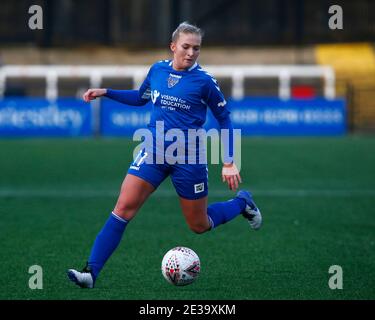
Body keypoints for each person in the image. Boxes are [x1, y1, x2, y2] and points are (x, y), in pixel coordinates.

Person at [67, 22, 262, 289]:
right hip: (154, 150)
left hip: (189, 157)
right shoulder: (157, 70)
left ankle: (242, 203)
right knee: (122, 209)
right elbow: (140, 97)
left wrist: (228, 160)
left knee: (199, 224)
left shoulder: (204, 82)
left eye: (197, 48)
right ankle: (90, 272)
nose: (191, 52)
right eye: (186, 46)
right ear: (173, 46)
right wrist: (106, 92)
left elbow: (225, 119)